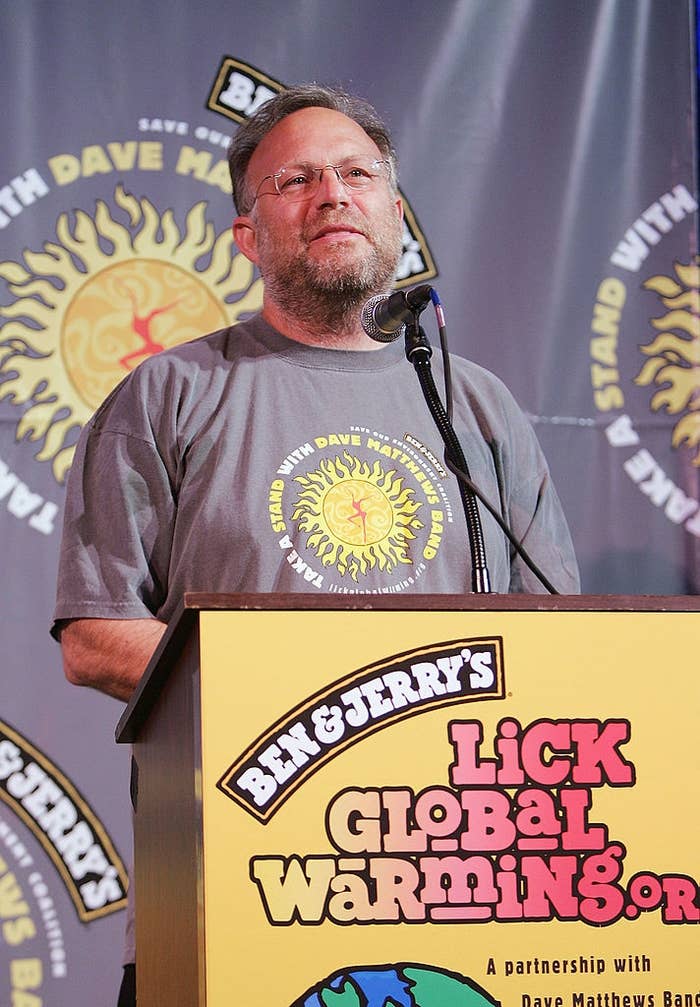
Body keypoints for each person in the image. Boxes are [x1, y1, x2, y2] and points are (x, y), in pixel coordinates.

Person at [52, 83, 580, 1005]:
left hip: (458, 900)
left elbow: (564, 645)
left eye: (356, 174)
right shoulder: (168, 394)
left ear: (394, 214)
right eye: (294, 179)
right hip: (233, 889)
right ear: (248, 235)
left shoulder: (482, 409)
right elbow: (94, 637)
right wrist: (335, 701)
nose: (332, 194)